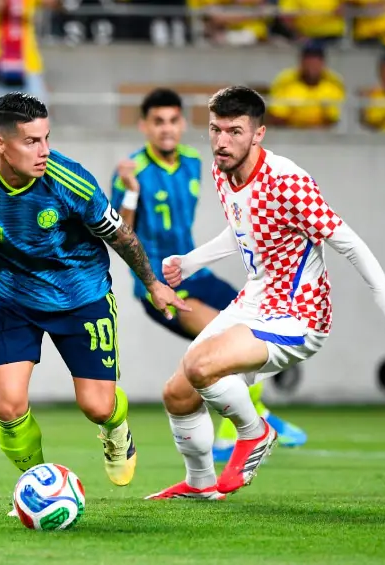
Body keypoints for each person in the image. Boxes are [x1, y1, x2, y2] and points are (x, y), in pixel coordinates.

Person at [146, 86, 385, 501]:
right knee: (177, 392)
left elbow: (350, 245)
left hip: (299, 315)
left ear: (258, 134)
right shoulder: (223, 169)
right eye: (216, 129)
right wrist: (191, 262)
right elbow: (244, 227)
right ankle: (200, 484)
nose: (222, 141)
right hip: (254, 301)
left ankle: (255, 432)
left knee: (201, 367)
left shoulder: (287, 181)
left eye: (235, 132)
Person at [0, 92, 188, 495]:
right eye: (31, 141)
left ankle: (115, 427)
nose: (44, 151)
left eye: (46, 138)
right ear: (0, 144)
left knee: (97, 406)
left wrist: (153, 283)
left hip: (80, 294)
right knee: (8, 406)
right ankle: (38, 487)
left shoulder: (70, 180)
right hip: (8, 297)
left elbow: (120, 236)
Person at [110, 87, 306, 464]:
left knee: (261, 324)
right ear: (144, 126)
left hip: (195, 274)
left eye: (173, 120)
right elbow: (122, 233)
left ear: (183, 124)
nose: (166, 128)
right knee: (225, 346)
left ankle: (257, 416)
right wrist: (131, 192)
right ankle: (235, 434)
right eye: (158, 122)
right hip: (160, 286)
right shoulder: (132, 170)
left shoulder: (194, 162)